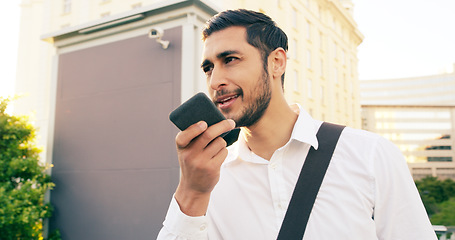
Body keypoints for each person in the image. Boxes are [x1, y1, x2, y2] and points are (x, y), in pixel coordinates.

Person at [157, 9, 436, 240]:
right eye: (208, 68)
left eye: (230, 60)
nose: (215, 80)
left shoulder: (370, 155)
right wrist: (191, 192)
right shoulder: (210, 179)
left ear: (277, 62)